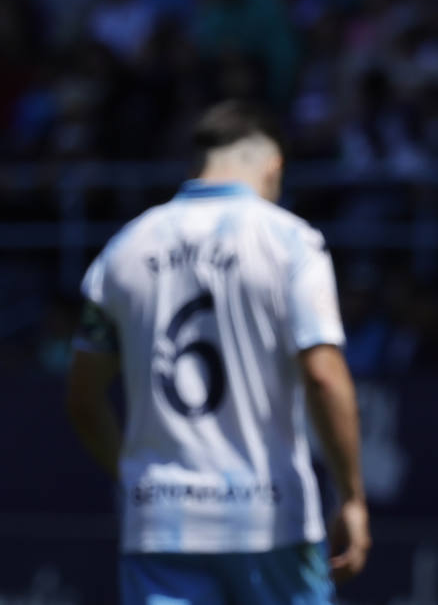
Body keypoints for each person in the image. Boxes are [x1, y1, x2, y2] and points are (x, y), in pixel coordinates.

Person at [65, 100, 369, 603]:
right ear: (274, 165)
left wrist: (133, 478)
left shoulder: (122, 252)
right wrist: (353, 497)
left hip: (161, 522)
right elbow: (324, 376)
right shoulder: (291, 242)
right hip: (270, 522)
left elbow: (82, 397)